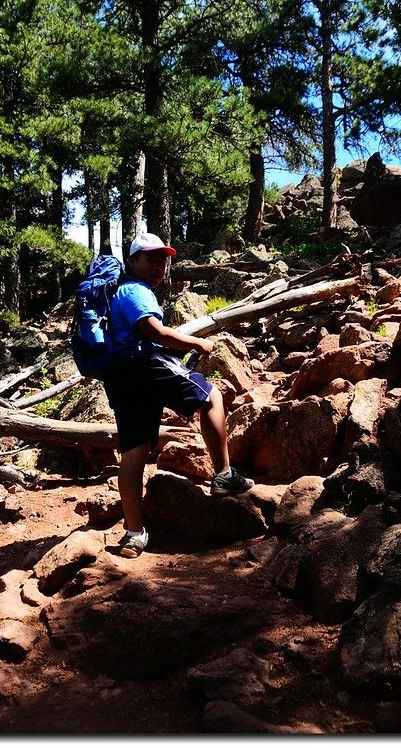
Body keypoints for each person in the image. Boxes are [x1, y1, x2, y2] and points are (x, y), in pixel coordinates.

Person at [104, 232, 254, 558]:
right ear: (132, 261)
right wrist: (197, 344)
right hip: (146, 365)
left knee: (134, 452)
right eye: (151, 258)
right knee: (211, 397)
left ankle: (133, 534)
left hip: (120, 377)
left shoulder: (117, 293)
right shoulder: (136, 291)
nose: (159, 265)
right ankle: (225, 476)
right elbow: (155, 333)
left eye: (163, 259)